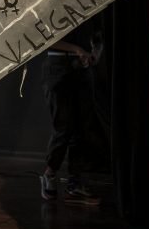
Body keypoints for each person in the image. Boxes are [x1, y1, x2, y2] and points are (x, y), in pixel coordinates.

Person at [39, 20, 102, 205]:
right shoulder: (52, 6)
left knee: (82, 127)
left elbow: (94, 37)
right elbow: (46, 40)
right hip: (57, 66)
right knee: (63, 127)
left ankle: (75, 183)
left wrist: (92, 52)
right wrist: (76, 49)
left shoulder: (85, 10)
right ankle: (50, 173)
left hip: (79, 67)